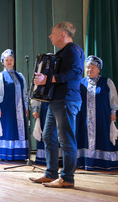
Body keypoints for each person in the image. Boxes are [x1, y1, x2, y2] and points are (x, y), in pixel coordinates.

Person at [31, 22, 85, 188]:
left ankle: (67, 178)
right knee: (48, 136)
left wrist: (48, 79)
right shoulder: (63, 52)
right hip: (56, 100)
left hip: (66, 99)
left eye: (53, 33)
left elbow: (76, 72)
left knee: (66, 140)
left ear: (62, 34)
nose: (50, 36)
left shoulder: (72, 50)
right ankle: (51, 174)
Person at [75, 56, 118, 170]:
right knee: (83, 138)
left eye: (92, 68)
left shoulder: (107, 82)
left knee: (103, 138)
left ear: (98, 70)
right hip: (83, 118)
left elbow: (113, 98)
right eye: (88, 68)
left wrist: (113, 113)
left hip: (102, 117)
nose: (89, 70)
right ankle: (85, 162)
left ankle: (103, 162)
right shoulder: (81, 83)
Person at [0, 49, 29, 161]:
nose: (9, 62)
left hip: (19, 109)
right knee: (8, 130)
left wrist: (26, 108)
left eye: (11, 60)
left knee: (18, 130)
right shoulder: (0, 76)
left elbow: (25, 93)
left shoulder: (20, 76)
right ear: (3, 62)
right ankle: (6, 154)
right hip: (6, 109)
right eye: (7, 60)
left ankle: (19, 154)